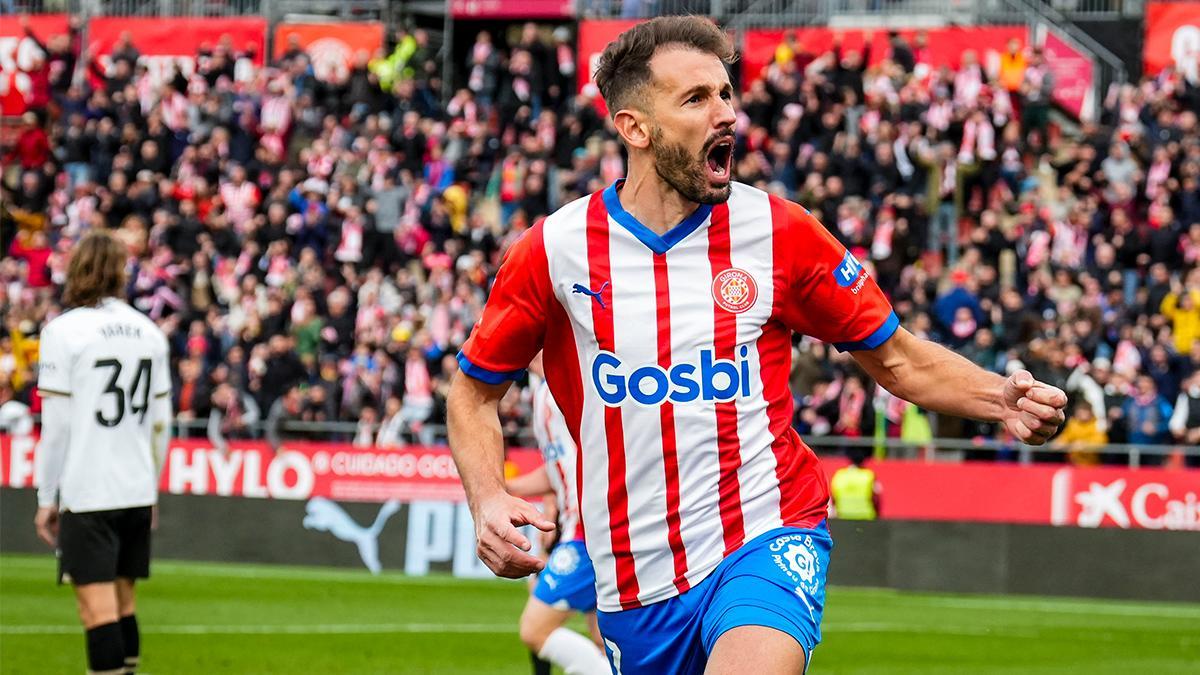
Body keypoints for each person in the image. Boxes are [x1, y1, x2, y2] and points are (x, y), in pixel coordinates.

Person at [448, 17, 1066, 674]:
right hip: (635, 577)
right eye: (696, 99)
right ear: (634, 127)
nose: (726, 114)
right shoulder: (554, 250)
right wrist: (488, 496)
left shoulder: (781, 234)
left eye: (725, 93)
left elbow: (899, 359)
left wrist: (1001, 398)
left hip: (768, 532)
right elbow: (473, 389)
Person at [33, 230, 173, 675]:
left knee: (97, 613)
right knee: (124, 603)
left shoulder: (63, 331)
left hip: (89, 490)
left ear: (78, 269)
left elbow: (56, 428)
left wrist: (45, 498)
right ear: (121, 273)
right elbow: (161, 424)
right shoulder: (151, 332)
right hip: (134, 489)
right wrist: (151, 487)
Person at [506, 355, 608, 675]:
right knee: (603, 641)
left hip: (589, 530)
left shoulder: (570, 384)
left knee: (534, 630)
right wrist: (505, 486)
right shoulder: (542, 391)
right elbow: (558, 469)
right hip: (578, 527)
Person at [830, 449, 881, 520]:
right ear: (863, 461)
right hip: (866, 516)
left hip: (843, 516)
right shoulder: (869, 475)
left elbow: (833, 498)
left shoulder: (839, 475)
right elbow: (876, 499)